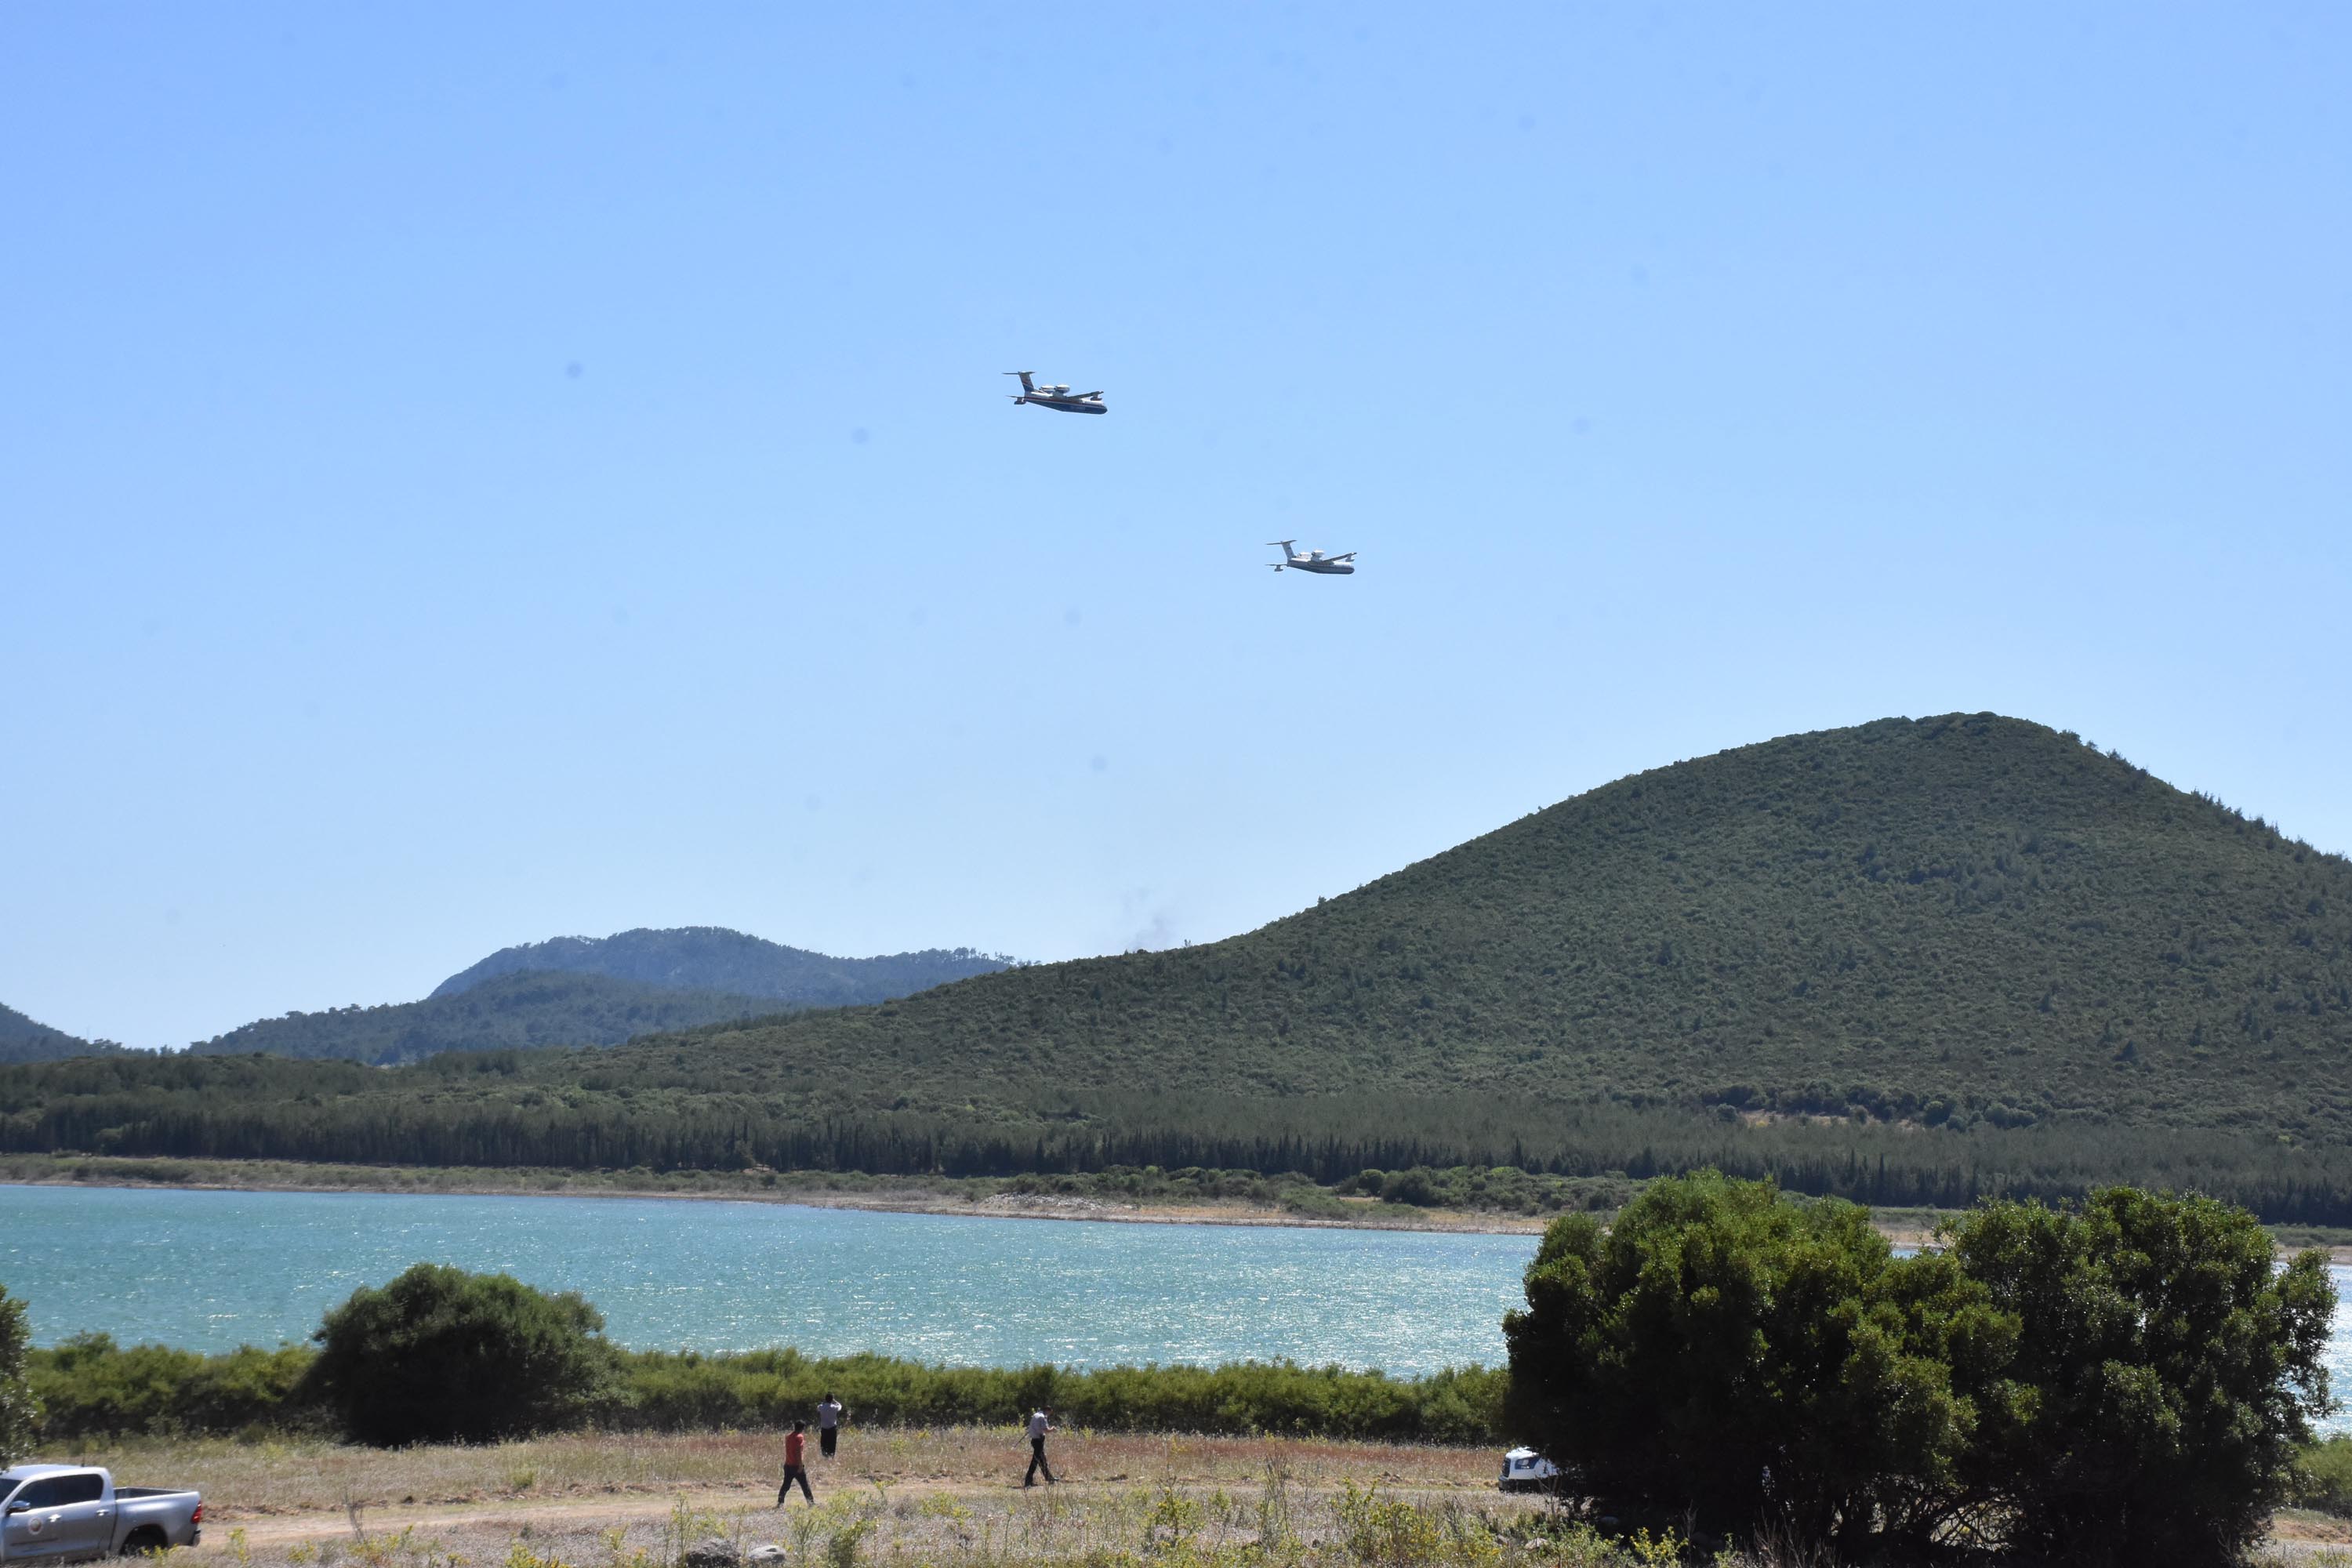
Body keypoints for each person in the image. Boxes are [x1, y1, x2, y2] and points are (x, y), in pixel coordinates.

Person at [776, 1420, 814, 1507]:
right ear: (802, 1428)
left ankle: (780, 1503)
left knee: (786, 1485)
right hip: (796, 1466)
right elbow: (798, 1452)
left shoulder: (788, 1436)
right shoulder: (799, 1437)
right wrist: (800, 1465)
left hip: (788, 1465)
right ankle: (811, 1503)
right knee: (805, 1486)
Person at [1023, 1405, 1057, 1487]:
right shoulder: (1042, 1417)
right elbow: (1046, 1430)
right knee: (1035, 1462)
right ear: (1048, 1411)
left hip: (1034, 1440)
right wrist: (1052, 1429)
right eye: (1050, 1413)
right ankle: (1028, 1482)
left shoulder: (1035, 1415)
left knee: (1042, 1460)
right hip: (1039, 1441)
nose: (1049, 1415)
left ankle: (1049, 1478)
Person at [816, 1392, 847, 1458]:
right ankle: (831, 1456)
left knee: (824, 1443)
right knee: (832, 1443)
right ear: (832, 1399)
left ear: (825, 1399)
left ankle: (825, 1456)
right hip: (832, 1428)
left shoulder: (821, 1407)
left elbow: (818, 1407)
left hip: (824, 1428)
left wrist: (824, 1402)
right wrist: (835, 1400)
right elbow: (840, 1406)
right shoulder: (835, 1407)